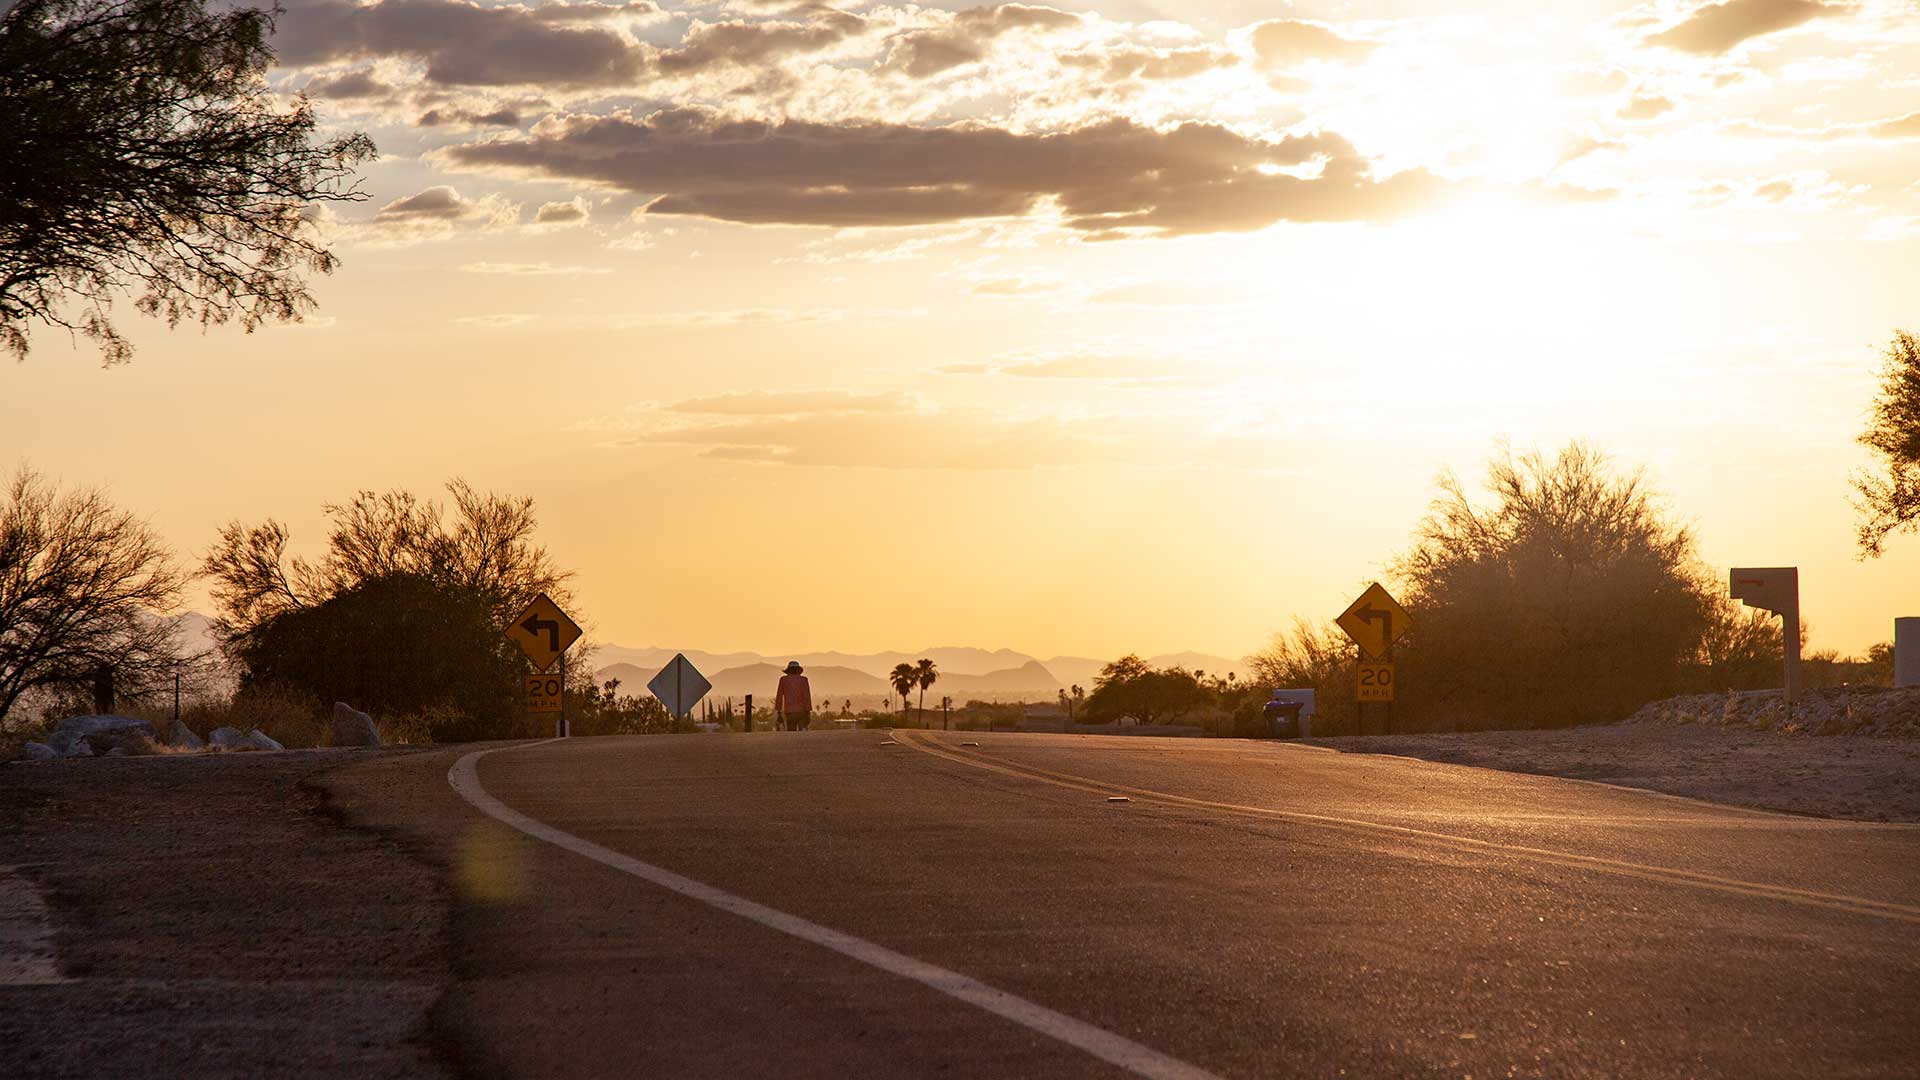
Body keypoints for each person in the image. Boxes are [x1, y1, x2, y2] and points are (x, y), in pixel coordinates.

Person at [773, 661, 812, 731]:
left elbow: (779, 696)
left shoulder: (783, 680)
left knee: (791, 733)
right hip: (802, 711)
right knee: (801, 733)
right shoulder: (804, 680)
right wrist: (808, 711)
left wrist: (779, 711)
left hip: (789, 712)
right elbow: (807, 697)